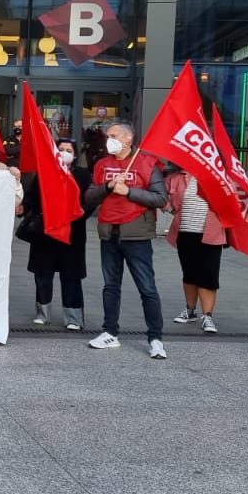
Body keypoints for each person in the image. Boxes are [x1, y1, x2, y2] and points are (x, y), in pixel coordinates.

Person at [82, 118, 170, 359]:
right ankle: (110, 332)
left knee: (147, 287)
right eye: (108, 136)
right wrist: (108, 186)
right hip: (109, 232)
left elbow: (161, 198)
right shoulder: (102, 164)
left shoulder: (147, 163)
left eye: (114, 136)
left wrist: (129, 191)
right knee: (111, 286)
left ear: (129, 138)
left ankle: (155, 338)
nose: (109, 140)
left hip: (137, 234)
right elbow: (90, 197)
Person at [21, 138, 92, 329]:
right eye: (61, 149)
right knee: (42, 274)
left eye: (69, 150)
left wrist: (79, 214)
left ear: (75, 155)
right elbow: (31, 197)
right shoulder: (44, 172)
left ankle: (73, 318)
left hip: (72, 233)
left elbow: (89, 201)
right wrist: (23, 208)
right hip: (45, 232)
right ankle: (42, 313)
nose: (64, 153)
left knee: (71, 276)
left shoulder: (83, 175)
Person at [165, 166, 228, 334]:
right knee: (189, 274)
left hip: (211, 233)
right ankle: (190, 310)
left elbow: (231, 201)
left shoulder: (217, 177)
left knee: (208, 276)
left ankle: (207, 316)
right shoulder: (177, 177)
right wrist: (171, 209)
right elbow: (160, 195)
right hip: (185, 232)